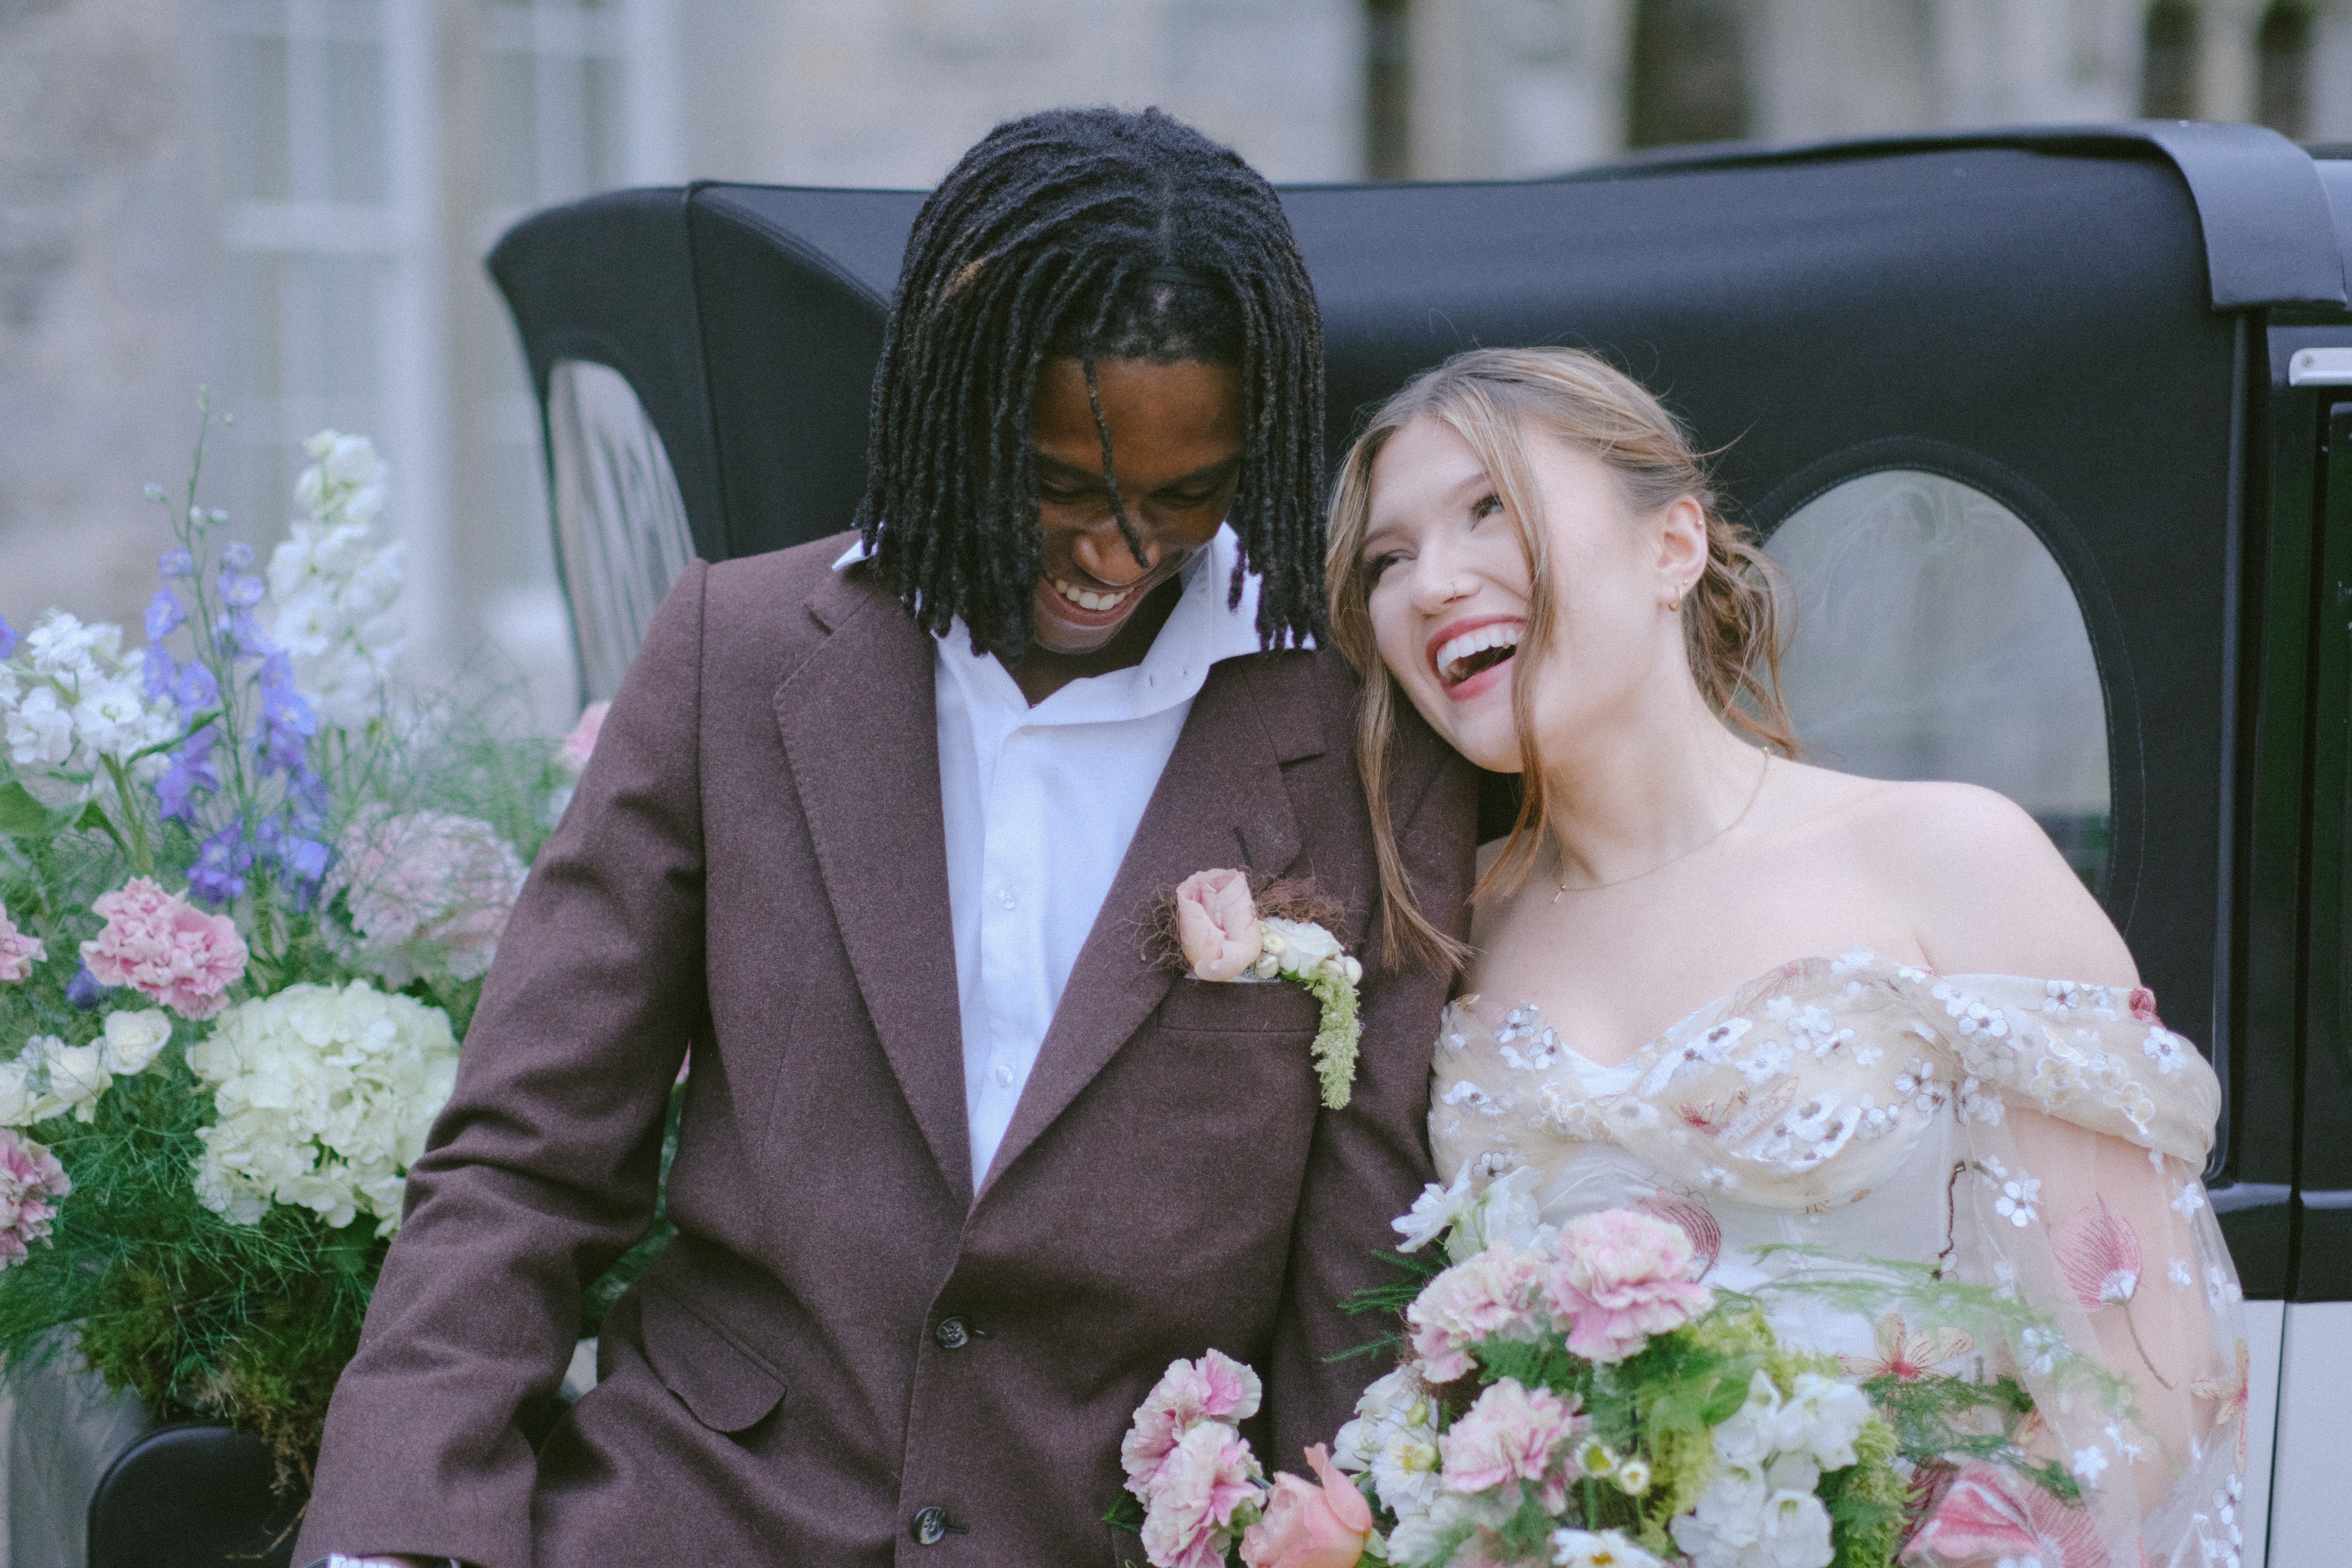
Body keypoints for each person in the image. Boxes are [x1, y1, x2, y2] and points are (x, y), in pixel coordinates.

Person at [294, 107, 1475, 1568]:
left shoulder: (1365, 740)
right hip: (694, 1519)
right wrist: (398, 1536)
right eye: (1059, 486)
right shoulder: (732, 655)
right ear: (954, 404)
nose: (1118, 555)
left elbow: (1357, 1272)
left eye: (1184, 497)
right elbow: (530, 1157)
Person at [1323, 346, 2245, 1565]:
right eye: (1389, 560)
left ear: (1675, 546)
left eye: (1490, 510)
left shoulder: (1947, 858)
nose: (1433, 582)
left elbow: (2153, 1385)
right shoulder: (1439, 941)